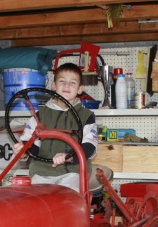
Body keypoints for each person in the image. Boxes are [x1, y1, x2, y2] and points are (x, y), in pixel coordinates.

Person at [13, 63, 99, 192]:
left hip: (73, 172)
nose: (66, 85)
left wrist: (69, 155)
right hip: (41, 172)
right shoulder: (40, 116)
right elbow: (31, 144)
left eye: (72, 83)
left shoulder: (86, 116)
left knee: (68, 197)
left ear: (80, 89)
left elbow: (90, 147)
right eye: (62, 81)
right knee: (31, 199)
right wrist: (24, 151)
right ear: (54, 85)